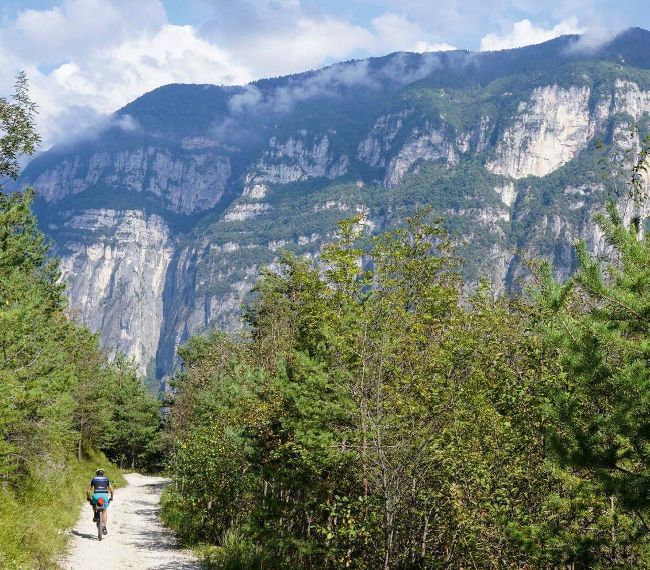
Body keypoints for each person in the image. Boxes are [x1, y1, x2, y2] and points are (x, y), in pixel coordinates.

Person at [86, 468, 115, 535]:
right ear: (103, 474)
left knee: (93, 503)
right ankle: (104, 527)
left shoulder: (93, 479)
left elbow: (87, 491)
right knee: (104, 511)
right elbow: (111, 490)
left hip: (96, 496)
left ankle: (95, 515)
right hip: (104, 496)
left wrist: (88, 498)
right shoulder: (106, 479)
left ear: (96, 474)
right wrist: (111, 497)